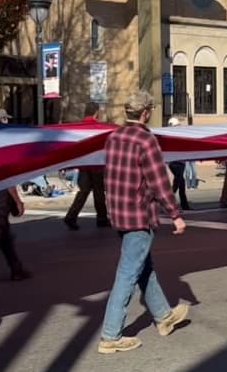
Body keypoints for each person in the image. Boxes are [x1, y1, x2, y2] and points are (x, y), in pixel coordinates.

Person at [98, 91, 190, 354]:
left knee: (143, 268)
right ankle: (110, 335)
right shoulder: (146, 140)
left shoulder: (113, 137)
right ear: (146, 113)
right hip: (139, 214)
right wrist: (175, 214)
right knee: (128, 273)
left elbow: (109, 175)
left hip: (119, 213)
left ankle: (164, 316)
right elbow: (159, 181)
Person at [62, 102, 110, 230]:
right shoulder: (99, 128)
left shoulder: (79, 128)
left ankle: (71, 216)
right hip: (96, 164)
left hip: (84, 165)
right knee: (99, 192)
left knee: (83, 192)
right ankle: (102, 218)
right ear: (96, 112)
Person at [166, 118, 191, 211]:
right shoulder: (172, 136)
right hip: (176, 163)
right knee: (176, 185)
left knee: (181, 185)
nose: (179, 127)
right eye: (177, 125)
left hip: (179, 162)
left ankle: (185, 206)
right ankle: (169, 203)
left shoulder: (174, 135)